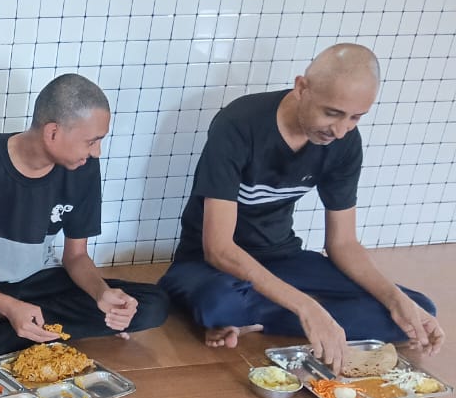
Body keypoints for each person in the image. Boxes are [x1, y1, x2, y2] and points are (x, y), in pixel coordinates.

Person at [159, 43, 442, 373]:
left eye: (355, 118)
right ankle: (277, 315)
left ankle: (253, 318)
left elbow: (343, 243)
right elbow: (218, 249)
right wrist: (307, 307)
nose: (340, 130)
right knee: (219, 302)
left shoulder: (345, 143)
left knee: (416, 310)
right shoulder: (238, 124)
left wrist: (395, 299)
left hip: (284, 258)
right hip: (210, 265)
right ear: (301, 88)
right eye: (332, 113)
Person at [0, 73, 169, 367]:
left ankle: (26, 324)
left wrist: (102, 294)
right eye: (92, 141)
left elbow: (76, 256)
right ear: (53, 132)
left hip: (41, 282)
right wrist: (9, 306)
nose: (97, 152)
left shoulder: (84, 169)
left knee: (154, 305)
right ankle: (36, 324)